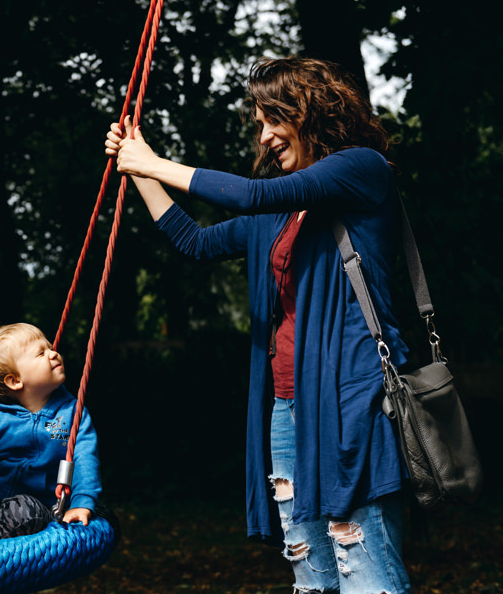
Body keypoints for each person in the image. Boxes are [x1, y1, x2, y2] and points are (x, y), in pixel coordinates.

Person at [105, 57, 411, 593]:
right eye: (259, 123)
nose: (265, 136)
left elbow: (250, 193)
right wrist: (139, 171)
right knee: (311, 576)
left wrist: (154, 161)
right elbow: (194, 242)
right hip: (290, 409)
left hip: (351, 405)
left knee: (364, 571)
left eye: (274, 118)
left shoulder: (362, 169)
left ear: (311, 112)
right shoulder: (280, 213)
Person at [0, 323, 102, 532]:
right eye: (41, 353)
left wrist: (82, 501)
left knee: (24, 508)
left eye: (50, 348)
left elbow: (85, 458)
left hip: (41, 510)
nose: (53, 354)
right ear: (15, 381)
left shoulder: (72, 413)